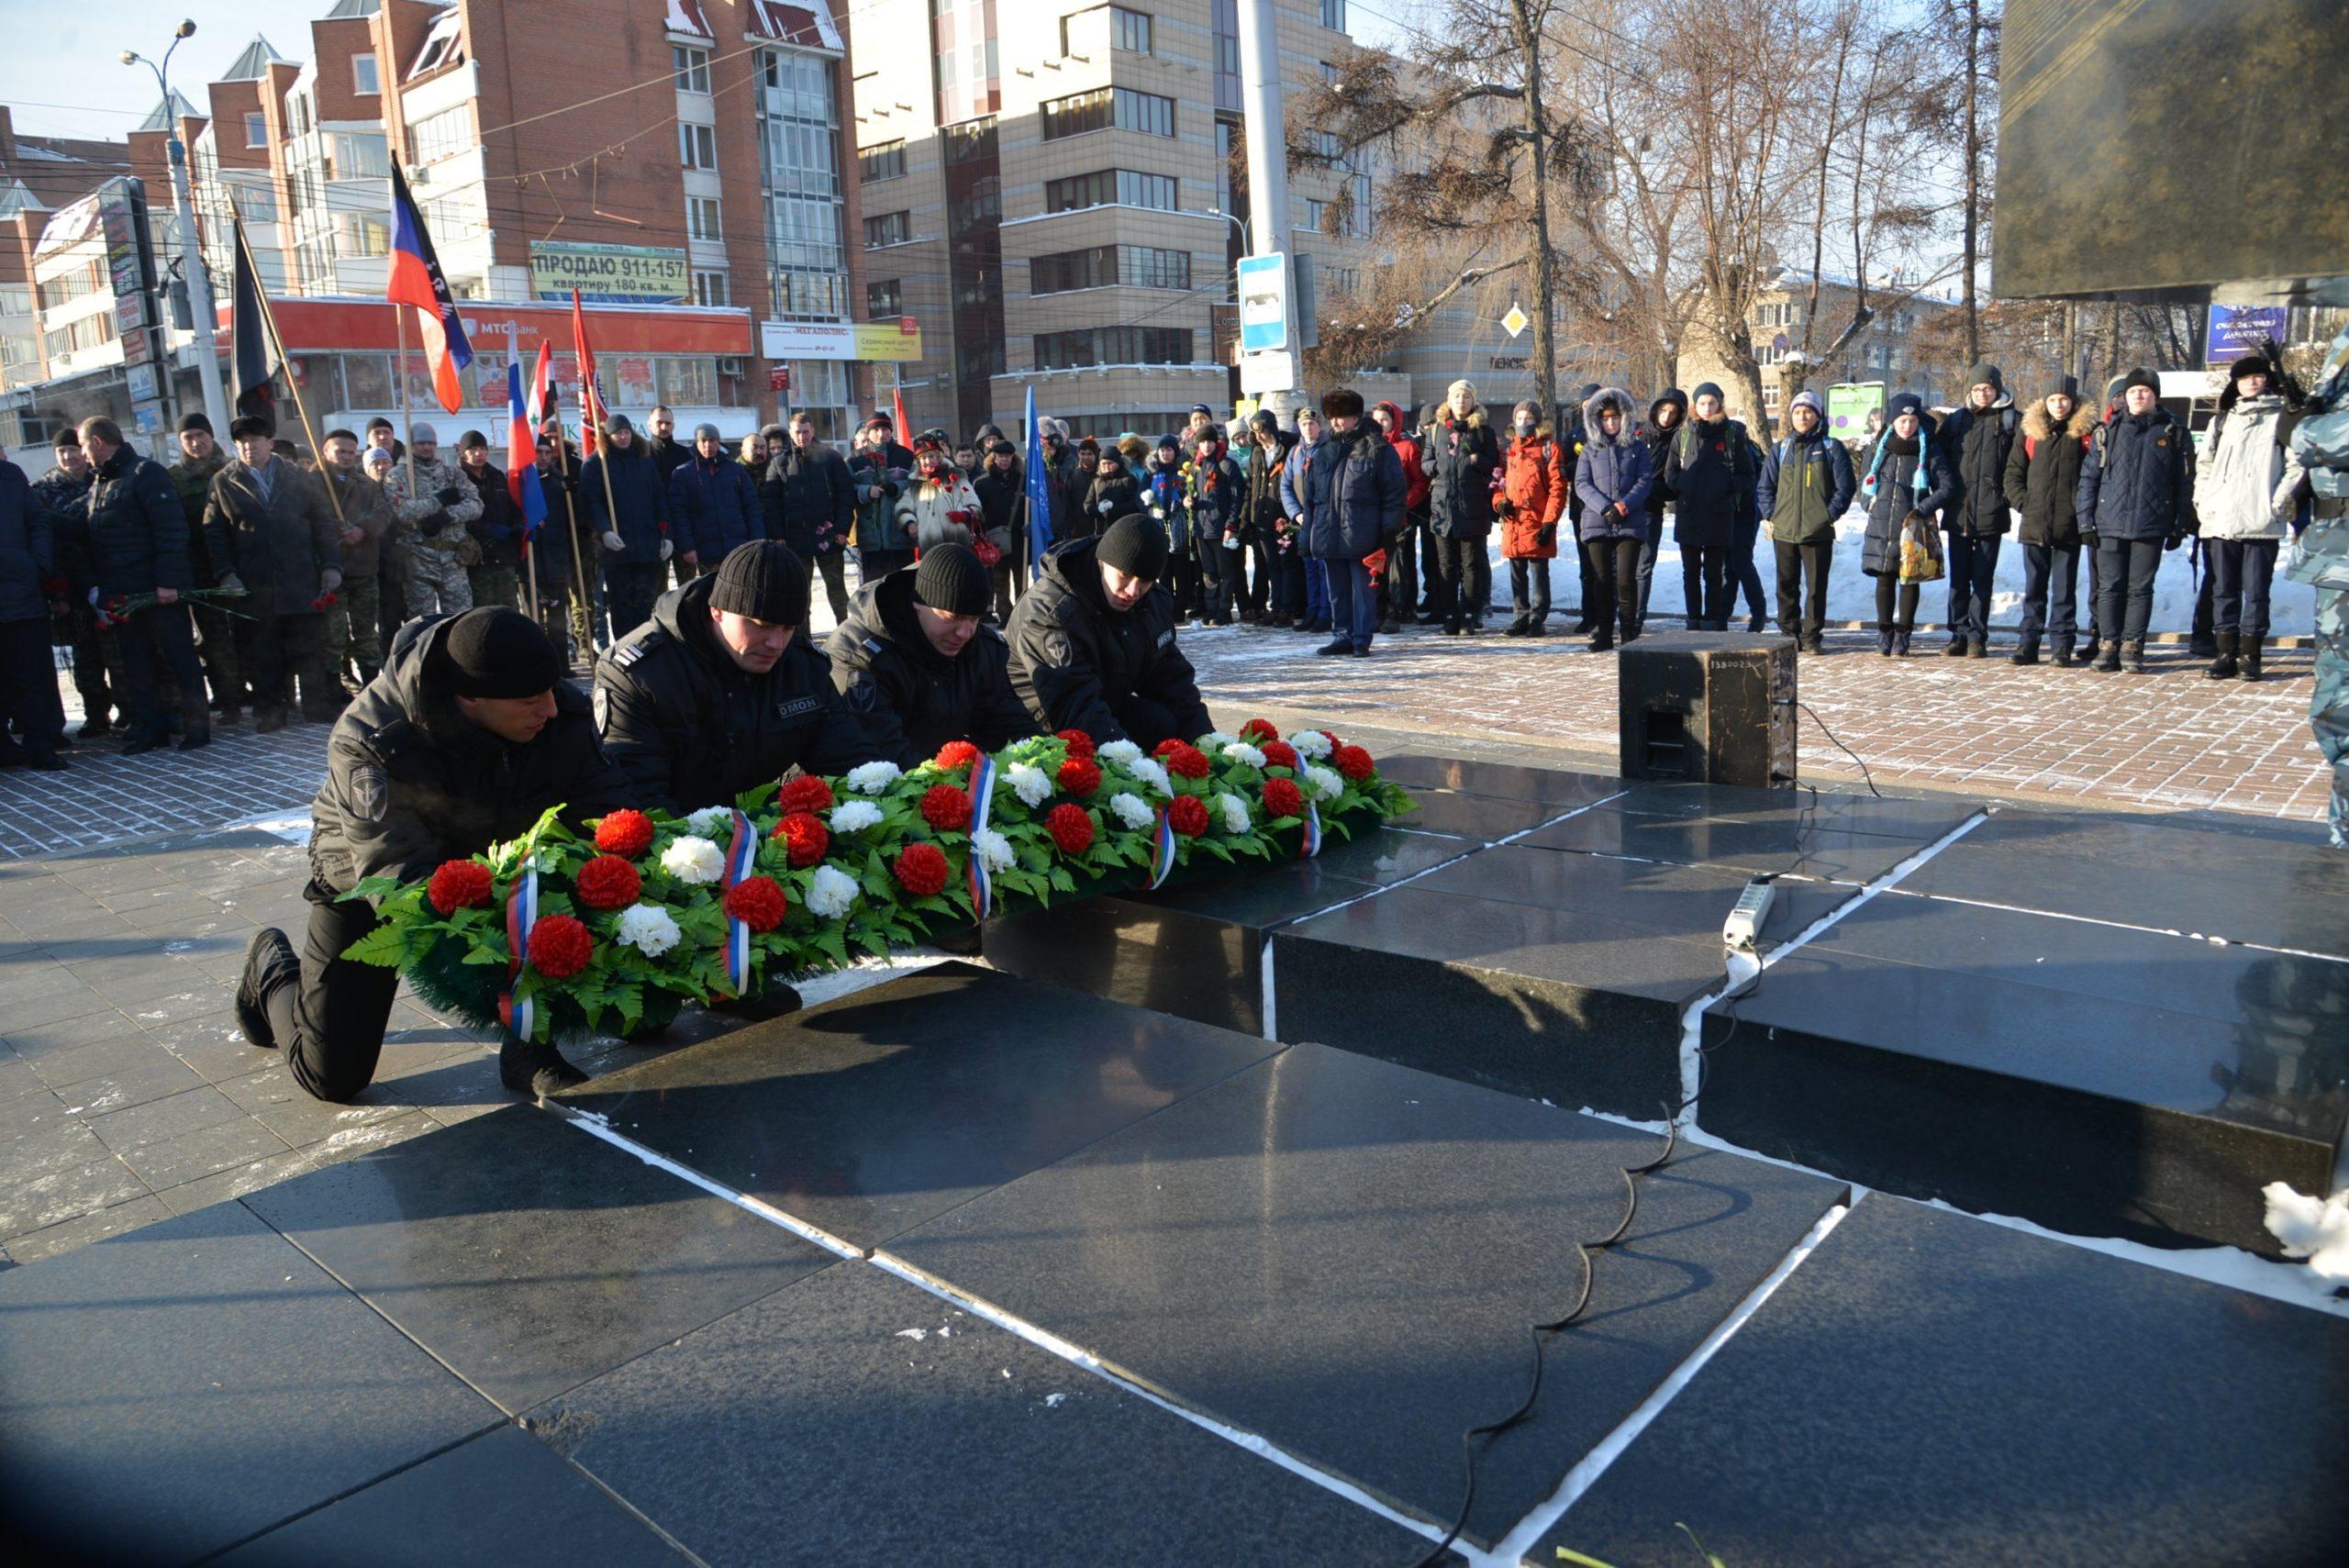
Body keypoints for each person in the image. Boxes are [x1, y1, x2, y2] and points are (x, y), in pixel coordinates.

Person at [237, 606, 630, 1100]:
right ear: (469, 698)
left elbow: (603, 810)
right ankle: (271, 969)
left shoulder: (556, 708)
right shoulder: (374, 738)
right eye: (531, 701)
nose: (550, 710)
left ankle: (529, 1049)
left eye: (551, 692)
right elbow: (398, 877)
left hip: (504, 861)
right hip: (367, 874)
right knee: (332, 1076)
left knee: (585, 903)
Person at [595, 539, 878, 811]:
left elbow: (850, 764)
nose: (777, 644)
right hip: (679, 834)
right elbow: (637, 799)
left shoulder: (802, 666)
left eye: (788, 628)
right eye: (762, 625)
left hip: (774, 830)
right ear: (717, 611)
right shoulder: (640, 674)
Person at [1007, 513, 1212, 747]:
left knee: (1164, 724)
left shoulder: (1151, 602)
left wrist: (1207, 742)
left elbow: (1172, 678)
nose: (1133, 591)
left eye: (1144, 581)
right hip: (1039, 723)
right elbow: (1073, 704)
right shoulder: (1051, 612)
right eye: (1125, 575)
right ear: (1102, 561)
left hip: (1103, 703)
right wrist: (1127, 759)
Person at [828, 542, 1038, 766]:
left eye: (975, 619)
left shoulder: (982, 647)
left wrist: (1043, 762)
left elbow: (1008, 720)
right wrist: (950, 783)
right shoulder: (860, 656)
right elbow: (882, 756)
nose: (965, 633)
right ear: (918, 605)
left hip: (945, 771)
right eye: (953, 617)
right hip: (881, 778)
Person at [204, 414, 346, 732]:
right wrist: (226, 573)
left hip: (300, 576)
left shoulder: (298, 476)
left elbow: (323, 523)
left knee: (310, 646)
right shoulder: (224, 481)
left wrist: (331, 566)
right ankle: (271, 710)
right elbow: (215, 533)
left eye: (254, 441)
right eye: (242, 443)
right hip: (255, 580)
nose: (248, 447)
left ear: (270, 443)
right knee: (263, 650)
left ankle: (316, 707)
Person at [79, 417, 212, 753]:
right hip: (123, 593)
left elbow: (171, 530)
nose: (81, 454)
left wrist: (168, 582)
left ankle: (197, 727)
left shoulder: (145, 473)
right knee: (136, 663)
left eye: (82, 446)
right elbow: (91, 530)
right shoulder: (101, 482)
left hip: (158, 591)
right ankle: (151, 729)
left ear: (97, 442)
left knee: (180, 658)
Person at [2078, 368, 2194, 673]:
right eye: (2132, 391)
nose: (2138, 396)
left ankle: (2132, 645)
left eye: (2145, 391)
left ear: (2156, 396)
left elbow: (2184, 482)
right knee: (2109, 587)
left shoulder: (2173, 432)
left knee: (2140, 588)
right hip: (2110, 522)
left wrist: (2180, 523)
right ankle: (2108, 644)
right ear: (2125, 397)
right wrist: (2085, 521)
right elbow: (2089, 479)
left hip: (2150, 523)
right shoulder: (2108, 431)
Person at [2195, 352, 2299, 683]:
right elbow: (2204, 465)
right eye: (2244, 378)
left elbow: (2296, 466)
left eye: (2257, 376)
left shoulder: (2282, 418)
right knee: (2223, 590)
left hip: (2261, 520)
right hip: (2222, 518)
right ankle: (2225, 653)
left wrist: (2276, 503)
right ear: (2236, 384)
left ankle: (2250, 656)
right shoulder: (2221, 421)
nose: (2252, 382)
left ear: (2267, 380)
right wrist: (2204, 501)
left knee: (2256, 592)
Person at [1301, 388, 1406, 657]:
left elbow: (1394, 493)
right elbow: (1311, 498)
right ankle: (1342, 635)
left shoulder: (1377, 448)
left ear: (1356, 416)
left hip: (1363, 533)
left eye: (1342, 417)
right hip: (1329, 531)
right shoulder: (1324, 450)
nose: (1336, 423)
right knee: (1337, 590)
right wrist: (1306, 535)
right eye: (1332, 417)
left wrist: (1388, 530)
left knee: (1362, 591)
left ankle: (1360, 638)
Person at [2003, 377, 2097, 666]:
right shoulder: (2030, 431)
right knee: (2034, 589)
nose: (2058, 405)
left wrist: (2080, 510)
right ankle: (2028, 643)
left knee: (2064, 591)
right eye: (2053, 399)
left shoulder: (2084, 433)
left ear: (2073, 401)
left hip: (2069, 525)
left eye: (2064, 399)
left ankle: (2061, 645)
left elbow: (2092, 476)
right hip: (2035, 522)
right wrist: (2024, 503)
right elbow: (2013, 472)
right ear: (2045, 402)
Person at [1756, 388, 1857, 653]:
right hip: (1784, 531)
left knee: (1815, 588)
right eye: (1798, 412)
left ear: (1818, 416)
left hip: (1818, 532)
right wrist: (1772, 514)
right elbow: (1765, 487)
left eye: (1808, 412)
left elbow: (1845, 488)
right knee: (1786, 586)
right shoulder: (1781, 449)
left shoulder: (1831, 447)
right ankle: (1789, 634)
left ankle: (1812, 636)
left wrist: (1828, 515)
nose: (1802, 417)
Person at [33, 430, 117, 737]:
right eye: (61, 451)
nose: (68, 457)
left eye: (73, 449)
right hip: (70, 587)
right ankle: (96, 714)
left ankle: (129, 710)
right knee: (85, 656)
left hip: (107, 578)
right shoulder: (40, 492)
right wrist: (57, 592)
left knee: (118, 652)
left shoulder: (104, 481)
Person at [1858, 392, 1955, 657]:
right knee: (1884, 578)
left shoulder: (1929, 449)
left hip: (1912, 526)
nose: (1907, 426)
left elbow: (1946, 487)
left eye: (1912, 421)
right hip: (1881, 524)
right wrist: (1869, 504)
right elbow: (1865, 482)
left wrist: (1921, 510)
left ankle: (1903, 633)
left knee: (1909, 579)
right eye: (1902, 420)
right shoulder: (1879, 448)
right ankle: (1884, 632)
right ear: (1892, 421)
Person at [166, 412, 245, 724]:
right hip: (201, 571)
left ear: (211, 436)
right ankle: (229, 700)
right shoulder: (173, 478)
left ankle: (259, 692)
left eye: (201, 435)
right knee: (214, 640)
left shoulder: (233, 470)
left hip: (240, 565)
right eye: (189, 437)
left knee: (247, 635)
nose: (196, 442)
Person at [1937, 363, 2021, 657]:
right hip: (1959, 510)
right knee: (1959, 579)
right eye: (1976, 389)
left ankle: (1977, 636)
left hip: (1991, 510)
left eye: (1987, 388)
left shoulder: (2011, 420)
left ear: (1997, 389)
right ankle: (1958, 634)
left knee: (1982, 579)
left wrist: (2006, 496)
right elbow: (1939, 460)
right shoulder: (1957, 421)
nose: (1982, 394)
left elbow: (2019, 465)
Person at [1662, 383, 1755, 630]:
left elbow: (1747, 475)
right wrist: (1684, 485)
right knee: (1690, 572)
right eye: (1702, 403)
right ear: (1695, 405)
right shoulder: (1683, 435)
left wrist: (1724, 486)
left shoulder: (1732, 435)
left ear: (1720, 404)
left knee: (1714, 573)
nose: (1707, 408)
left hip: (1719, 514)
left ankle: (1713, 618)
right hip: (1689, 512)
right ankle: (1693, 619)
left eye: (1712, 403)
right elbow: (1670, 472)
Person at [1575, 387, 1654, 652]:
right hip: (1597, 522)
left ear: (1624, 418)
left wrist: (1624, 505)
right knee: (1601, 581)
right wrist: (1605, 507)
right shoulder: (1589, 449)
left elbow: (1645, 480)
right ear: (1597, 421)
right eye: (1606, 418)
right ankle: (1605, 633)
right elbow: (1582, 483)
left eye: (1615, 418)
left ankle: (1629, 632)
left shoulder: (1637, 448)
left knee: (1625, 580)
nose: (1611, 423)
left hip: (1629, 523)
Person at [582, 413, 673, 639]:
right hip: (617, 549)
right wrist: (604, 531)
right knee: (621, 605)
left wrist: (666, 534)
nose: (623, 437)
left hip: (646, 545)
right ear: (607, 437)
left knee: (646, 603)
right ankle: (625, 649)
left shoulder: (644, 459)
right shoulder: (596, 464)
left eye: (626, 432)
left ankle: (648, 646)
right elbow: (592, 502)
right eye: (617, 434)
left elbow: (659, 498)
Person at [0, 444, 61, 770]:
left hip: (22, 594)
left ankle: (39, 744)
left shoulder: (10, 476)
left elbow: (38, 521)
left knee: (30, 675)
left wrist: (37, 565)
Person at [762, 410, 855, 622]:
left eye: (805, 431)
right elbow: (771, 503)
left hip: (829, 535)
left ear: (812, 431)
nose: (801, 436)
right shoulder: (779, 462)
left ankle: (846, 631)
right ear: (790, 433)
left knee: (838, 592)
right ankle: (802, 637)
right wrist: (778, 535)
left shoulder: (831, 458)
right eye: (797, 432)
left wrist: (842, 529)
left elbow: (846, 495)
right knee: (801, 595)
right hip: (795, 539)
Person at [384, 421, 482, 620]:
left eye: (430, 443)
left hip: (453, 559)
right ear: (411, 445)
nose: (426, 447)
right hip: (418, 558)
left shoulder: (452, 474)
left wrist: (448, 515)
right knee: (423, 622)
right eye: (421, 443)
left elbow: (476, 505)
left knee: (461, 619)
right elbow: (402, 511)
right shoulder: (398, 475)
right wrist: (437, 501)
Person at [320, 432, 394, 689]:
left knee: (366, 633)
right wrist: (334, 527)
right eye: (340, 451)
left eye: (351, 452)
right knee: (333, 634)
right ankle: (334, 687)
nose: (346, 457)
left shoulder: (367, 484)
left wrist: (362, 530)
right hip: (329, 569)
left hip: (363, 568)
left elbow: (383, 514)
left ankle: (371, 685)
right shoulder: (311, 482)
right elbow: (304, 517)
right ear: (326, 451)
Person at [1427, 379, 1500, 635]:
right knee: (1446, 566)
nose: (1461, 401)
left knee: (1471, 565)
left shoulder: (1483, 431)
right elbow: (1425, 461)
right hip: (1443, 508)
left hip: (1472, 507)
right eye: (1457, 396)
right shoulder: (1436, 430)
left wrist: (1478, 460)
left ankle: (1469, 614)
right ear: (1449, 400)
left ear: (1473, 401)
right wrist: (1436, 467)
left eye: (1466, 396)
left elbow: (1494, 465)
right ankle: (1449, 615)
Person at [1497, 398, 1569, 637]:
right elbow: (1498, 482)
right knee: (1517, 574)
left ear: (1537, 421)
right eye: (1519, 418)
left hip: (1538, 522)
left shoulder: (1549, 449)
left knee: (1539, 574)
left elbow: (1558, 489)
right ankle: (1521, 616)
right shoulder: (1509, 450)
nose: (1523, 422)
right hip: (1514, 523)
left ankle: (1537, 618)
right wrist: (1499, 503)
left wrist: (1549, 523)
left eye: (1528, 418)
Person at [668, 421, 760, 584]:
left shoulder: (736, 470)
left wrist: (756, 541)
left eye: (712, 440)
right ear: (696, 443)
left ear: (718, 442)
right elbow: (679, 514)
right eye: (703, 440)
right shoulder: (683, 473)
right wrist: (687, 547)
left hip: (737, 548)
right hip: (705, 551)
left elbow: (752, 508)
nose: (707, 445)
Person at [1371, 401, 1428, 634]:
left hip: (1400, 516)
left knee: (1400, 564)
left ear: (1394, 421)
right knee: (1377, 564)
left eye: (1384, 420)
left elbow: (1420, 482)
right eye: (1376, 420)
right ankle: (1379, 607)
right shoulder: (1369, 447)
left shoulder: (1407, 447)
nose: (1380, 424)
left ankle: (1401, 608)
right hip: (1374, 516)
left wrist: (1403, 504)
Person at [1636, 389, 1687, 633]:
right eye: (1663, 410)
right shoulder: (1636, 434)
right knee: (1619, 568)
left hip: (1651, 511)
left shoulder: (1678, 442)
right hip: (1625, 511)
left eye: (1672, 412)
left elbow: (1674, 486)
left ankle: (1636, 619)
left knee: (1643, 568)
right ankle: (1616, 615)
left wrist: (1647, 488)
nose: (1666, 416)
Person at [1280, 408, 1334, 633]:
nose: (1308, 428)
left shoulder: (1328, 449)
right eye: (1304, 424)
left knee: (1323, 568)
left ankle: (1325, 613)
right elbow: (1286, 485)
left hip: (1323, 519)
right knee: (1309, 568)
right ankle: (1312, 611)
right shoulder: (1295, 452)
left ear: (1319, 426)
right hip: (1303, 520)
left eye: (1312, 423)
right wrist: (1296, 513)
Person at [456, 429, 521, 612]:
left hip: (503, 554)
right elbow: (456, 516)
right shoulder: (456, 478)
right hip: (476, 558)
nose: (478, 453)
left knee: (509, 610)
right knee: (484, 612)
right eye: (472, 449)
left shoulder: (497, 476)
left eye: (482, 448)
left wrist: (518, 526)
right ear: (462, 452)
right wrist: (485, 530)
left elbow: (511, 506)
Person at [1185, 433, 1245, 627]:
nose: (1206, 446)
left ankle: (1224, 611)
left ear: (1216, 443)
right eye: (1202, 442)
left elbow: (1237, 498)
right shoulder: (1196, 467)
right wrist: (1188, 501)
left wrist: (1231, 525)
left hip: (1221, 527)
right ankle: (1211, 610)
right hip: (1202, 528)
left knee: (1225, 572)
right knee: (1208, 572)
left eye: (1209, 441)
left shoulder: (1226, 465)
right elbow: (1191, 492)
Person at [894, 431, 984, 559]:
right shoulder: (915, 483)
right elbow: (903, 508)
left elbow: (973, 502)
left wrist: (965, 514)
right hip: (929, 547)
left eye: (931, 456)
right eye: (923, 458)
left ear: (939, 457)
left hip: (958, 542)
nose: (928, 461)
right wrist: (909, 523)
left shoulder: (955, 476)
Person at [849, 431, 914, 583]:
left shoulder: (905, 455)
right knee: (874, 587)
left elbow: (917, 484)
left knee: (905, 585)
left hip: (900, 535)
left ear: (891, 431)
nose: (881, 434)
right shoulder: (854, 458)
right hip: (870, 538)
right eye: (876, 430)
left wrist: (898, 487)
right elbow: (845, 489)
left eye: (885, 429)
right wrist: (865, 491)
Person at [970, 438, 1023, 617]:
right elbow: (977, 513)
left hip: (1020, 537)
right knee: (1000, 581)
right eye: (1001, 456)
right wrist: (981, 536)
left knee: (1021, 580)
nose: (1004, 460)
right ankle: (1005, 615)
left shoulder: (1023, 480)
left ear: (1013, 457)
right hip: (995, 538)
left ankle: (1021, 614)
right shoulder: (982, 483)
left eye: (1008, 456)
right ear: (994, 457)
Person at [1079, 440, 1141, 536]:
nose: (1106, 467)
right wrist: (1099, 511)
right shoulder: (1096, 481)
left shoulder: (1128, 480)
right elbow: (1087, 504)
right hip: (1101, 530)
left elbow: (1134, 504)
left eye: (1110, 463)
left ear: (1118, 463)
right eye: (1103, 464)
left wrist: (1112, 511)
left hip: (1123, 529)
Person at [645, 406, 690, 488]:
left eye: (668, 423)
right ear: (649, 425)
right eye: (659, 423)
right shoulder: (640, 454)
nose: (664, 427)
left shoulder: (686, 455)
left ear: (673, 426)